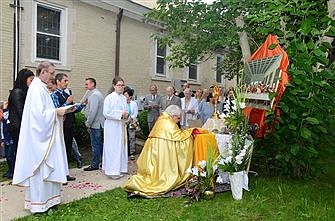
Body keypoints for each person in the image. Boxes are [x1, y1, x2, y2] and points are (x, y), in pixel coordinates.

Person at [12, 61, 70, 213]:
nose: (52, 77)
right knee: (40, 172)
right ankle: (39, 204)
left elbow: (45, 111)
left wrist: (57, 112)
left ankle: (50, 201)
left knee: (47, 171)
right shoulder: (36, 89)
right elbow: (38, 117)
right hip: (40, 140)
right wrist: (56, 113)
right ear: (42, 72)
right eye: (51, 73)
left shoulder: (41, 88)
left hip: (47, 136)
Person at [123, 105, 196, 197]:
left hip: (154, 152)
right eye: (178, 118)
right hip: (162, 153)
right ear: (173, 116)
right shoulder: (169, 123)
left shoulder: (162, 119)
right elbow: (179, 138)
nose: (178, 121)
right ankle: (162, 179)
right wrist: (190, 133)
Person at [51, 73, 85, 173]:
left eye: (67, 81)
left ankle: (65, 172)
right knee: (61, 150)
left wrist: (81, 105)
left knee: (67, 149)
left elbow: (72, 109)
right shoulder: (54, 95)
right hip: (62, 126)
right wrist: (66, 102)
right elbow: (57, 110)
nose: (66, 83)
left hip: (69, 125)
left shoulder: (66, 94)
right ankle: (60, 173)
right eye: (64, 81)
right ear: (58, 81)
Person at [6, 68, 34, 179]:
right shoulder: (17, 92)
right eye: (30, 80)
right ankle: (18, 172)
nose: (32, 83)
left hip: (21, 125)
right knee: (19, 149)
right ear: (24, 79)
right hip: (17, 126)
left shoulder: (25, 91)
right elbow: (21, 111)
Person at [102, 77, 128, 179]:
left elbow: (126, 110)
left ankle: (121, 168)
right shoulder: (109, 98)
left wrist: (126, 115)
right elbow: (106, 113)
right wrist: (120, 114)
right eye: (119, 85)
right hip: (112, 127)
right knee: (113, 148)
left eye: (122, 85)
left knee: (121, 147)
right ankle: (112, 171)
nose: (121, 87)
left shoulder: (123, 98)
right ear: (114, 86)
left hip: (121, 126)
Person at [83, 78, 105, 171]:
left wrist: (88, 123)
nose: (85, 86)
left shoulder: (95, 95)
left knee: (95, 145)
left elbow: (93, 112)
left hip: (95, 124)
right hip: (98, 124)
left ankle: (95, 164)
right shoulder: (96, 94)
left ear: (93, 84)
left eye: (87, 84)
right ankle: (103, 162)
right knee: (99, 144)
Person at [123, 87, 139, 161]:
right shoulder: (123, 103)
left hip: (131, 122)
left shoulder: (134, 103)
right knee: (124, 137)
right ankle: (125, 151)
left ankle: (132, 152)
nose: (125, 96)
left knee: (132, 137)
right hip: (124, 122)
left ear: (130, 96)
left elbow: (135, 113)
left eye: (126, 95)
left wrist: (130, 118)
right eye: (124, 94)